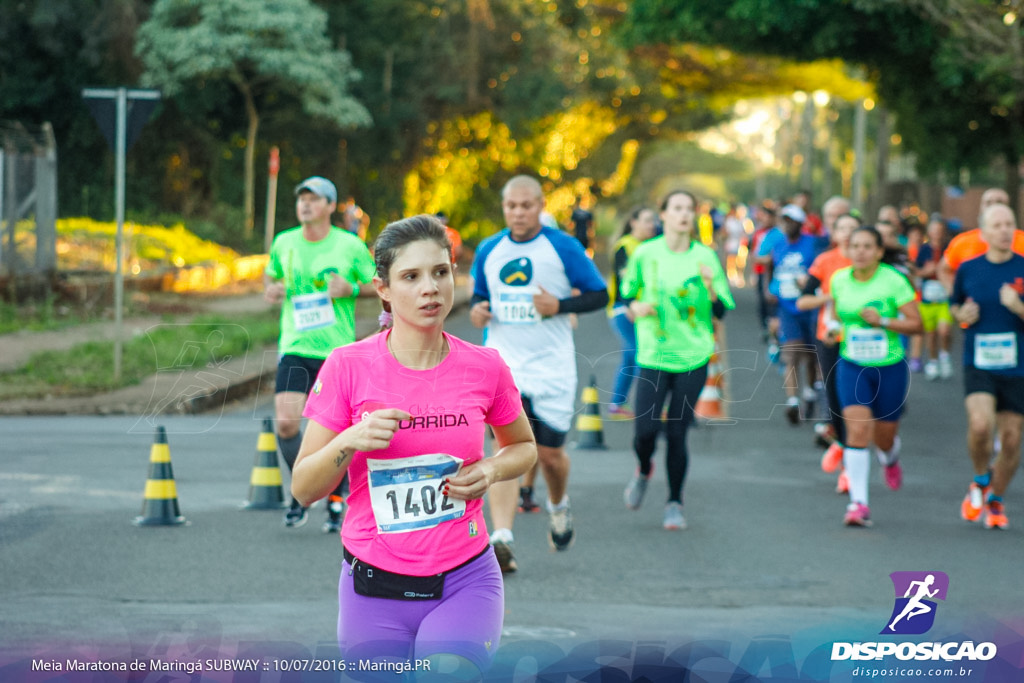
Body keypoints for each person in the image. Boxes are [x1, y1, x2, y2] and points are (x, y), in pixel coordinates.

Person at [292, 214, 537, 676]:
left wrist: (490, 470)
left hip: (465, 580)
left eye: (440, 272)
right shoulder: (348, 365)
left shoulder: (485, 366)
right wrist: (351, 438)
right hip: (373, 589)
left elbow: (523, 446)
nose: (431, 288)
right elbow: (304, 488)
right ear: (383, 287)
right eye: (411, 276)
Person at [470, 175, 609, 572]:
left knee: (549, 456)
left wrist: (560, 305)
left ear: (540, 205)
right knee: (506, 451)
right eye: (511, 206)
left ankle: (558, 504)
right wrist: (479, 310)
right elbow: (481, 297)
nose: (518, 213)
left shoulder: (562, 246)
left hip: (551, 366)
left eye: (526, 205)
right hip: (504, 364)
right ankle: (501, 539)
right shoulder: (489, 249)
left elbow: (600, 295)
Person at [264, 176, 377, 532]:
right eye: (302, 199)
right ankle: (303, 490)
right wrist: (272, 289)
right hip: (295, 346)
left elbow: (381, 285)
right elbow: (271, 277)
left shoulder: (349, 245)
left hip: (336, 352)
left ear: (331, 206)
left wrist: (351, 288)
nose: (306, 205)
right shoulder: (285, 242)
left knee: (331, 431)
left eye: (315, 199)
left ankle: (335, 494)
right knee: (286, 423)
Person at [620, 189, 735, 530]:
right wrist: (635, 308)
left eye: (689, 209)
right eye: (677, 208)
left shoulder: (706, 257)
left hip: (693, 355)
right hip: (654, 352)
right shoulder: (645, 253)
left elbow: (721, 311)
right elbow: (626, 296)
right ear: (664, 215)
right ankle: (643, 469)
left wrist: (712, 287)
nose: (683, 214)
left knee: (677, 432)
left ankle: (674, 502)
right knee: (644, 431)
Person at [827, 225, 922, 526]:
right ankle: (858, 504)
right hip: (852, 364)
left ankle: (890, 456)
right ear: (847, 249)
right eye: (855, 246)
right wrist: (831, 328)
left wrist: (882, 320)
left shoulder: (894, 282)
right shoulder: (839, 279)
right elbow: (833, 312)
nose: (860, 251)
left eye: (868, 246)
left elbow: (917, 324)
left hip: (889, 366)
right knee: (857, 431)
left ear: (879, 252)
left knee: (884, 435)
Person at [949, 203, 1024, 530]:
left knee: (1010, 440)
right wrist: (959, 316)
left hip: (1017, 367)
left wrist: (1017, 306)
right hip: (978, 362)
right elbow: (955, 305)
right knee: (980, 426)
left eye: (1009, 224)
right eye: (997, 225)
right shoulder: (969, 269)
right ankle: (981, 478)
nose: (1004, 230)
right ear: (983, 232)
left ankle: (995, 500)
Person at [796, 212, 857, 493]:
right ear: (833, 234)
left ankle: (851, 451)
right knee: (835, 399)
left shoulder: (867, 264)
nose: (846, 233)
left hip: (861, 340)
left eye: (852, 228)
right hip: (830, 338)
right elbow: (803, 301)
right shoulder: (825, 261)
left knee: (856, 402)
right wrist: (827, 298)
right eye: (841, 228)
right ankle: (846, 457)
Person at [759, 203, 824, 424]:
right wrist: (769, 287)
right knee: (791, 353)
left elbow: (823, 269)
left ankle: (811, 393)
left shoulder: (813, 244)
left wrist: (809, 282)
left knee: (813, 356)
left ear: (800, 223)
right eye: (784, 220)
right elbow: (768, 263)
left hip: (811, 306)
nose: (787, 225)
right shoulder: (779, 244)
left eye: (791, 221)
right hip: (786, 307)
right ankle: (793, 401)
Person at [606, 206, 658, 419]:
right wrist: (629, 307)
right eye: (646, 220)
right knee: (641, 355)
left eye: (653, 221)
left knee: (630, 358)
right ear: (633, 222)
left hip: (641, 310)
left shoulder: (649, 246)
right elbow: (623, 281)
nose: (651, 225)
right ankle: (649, 405)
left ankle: (617, 404)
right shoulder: (626, 246)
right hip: (624, 310)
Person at [913, 215, 954, 380]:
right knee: (930, 334)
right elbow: (916, 272)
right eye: (934, 230)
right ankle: (933, 361)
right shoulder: (924, 250)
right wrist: (927, 271)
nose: (936, 233)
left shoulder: (949, 249)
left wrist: (943, 271)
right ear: (929, 232)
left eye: (939, 230)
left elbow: (955, 269)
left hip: (944, 298)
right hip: (928, 299)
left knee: (944, 330)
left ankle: (944, 355)